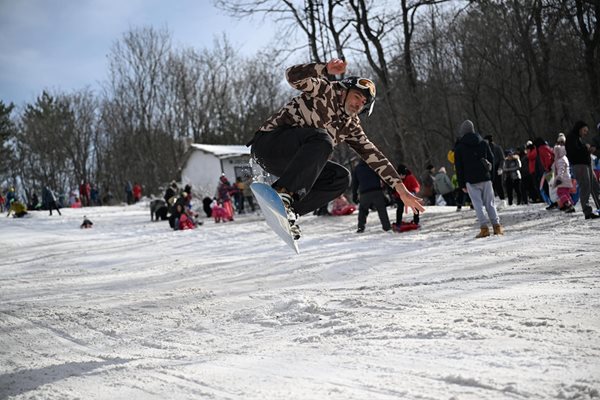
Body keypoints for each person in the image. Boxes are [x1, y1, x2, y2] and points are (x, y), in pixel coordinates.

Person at [247, 58, 424, 239]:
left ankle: (289, 212)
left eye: (363, 102)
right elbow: (292, 76)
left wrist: (400, 188)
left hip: (291, 162)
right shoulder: (325, 90)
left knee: (340, 178)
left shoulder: (351, 126)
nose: (358, 104)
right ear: (344, 91)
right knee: (323, 139)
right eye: (356, 96)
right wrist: (323, 68)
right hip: (269, 144)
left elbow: (373, 155)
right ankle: (283, 193)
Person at [454, 120, 503, 237]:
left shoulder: (459, 147)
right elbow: (492, 159)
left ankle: (484, 228)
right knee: (490, 203)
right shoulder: (483, 143)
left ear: (463, 131)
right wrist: (491, 176)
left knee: (478, 205)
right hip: (485, 177)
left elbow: (459, 167)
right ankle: (497, 227)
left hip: (470, 180)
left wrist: (462, 184)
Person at [565, 121, 600, 219]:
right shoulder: (572, 137)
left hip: (587, 165)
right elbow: (575, 152)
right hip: (580, 165)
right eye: (584, 130)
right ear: (579, 128)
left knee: (595, 186)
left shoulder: (578, 138)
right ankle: (587, 211)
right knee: (585, 187)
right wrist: (586, 148)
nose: (585, 133)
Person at [351, 159, 391, 233]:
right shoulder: (374, 165)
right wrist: (386, 189)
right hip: (377, 191)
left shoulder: (357, 168)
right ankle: (387, 227)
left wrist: (354, 195)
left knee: (363, 211)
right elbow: (382, 177)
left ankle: (361, 227)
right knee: (382, 210)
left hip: (364, 193)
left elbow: (355, 183)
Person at [391, 164, 421, 232]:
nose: (402, 176)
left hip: (410, 195)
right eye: (400, 175)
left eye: (403, 174)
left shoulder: (410, 177)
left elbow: (417, 186)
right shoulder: (396, 179)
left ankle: (416, 221)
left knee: (416, 206)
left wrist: (413, 191)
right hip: (400, 196)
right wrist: (394, 194)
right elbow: (393, 189)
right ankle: (398, 222)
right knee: (400, 208)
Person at [552, 134, 576, 213]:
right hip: (566, 179)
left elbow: (561, 169)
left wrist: (559, 177)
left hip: (563, 179)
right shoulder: (564, 157)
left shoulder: (560, 160)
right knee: (566, 193)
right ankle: (570, 204)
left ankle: (568, 205)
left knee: (560, 192)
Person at [484, 135, 506, 205]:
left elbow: (502, 159)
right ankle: (492, 201)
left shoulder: (497, 148)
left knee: (499, 184)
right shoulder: (485, 148)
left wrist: (500, 168)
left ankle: (502, 200)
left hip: (497, 168)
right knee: (491, 185)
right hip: (490, 169)